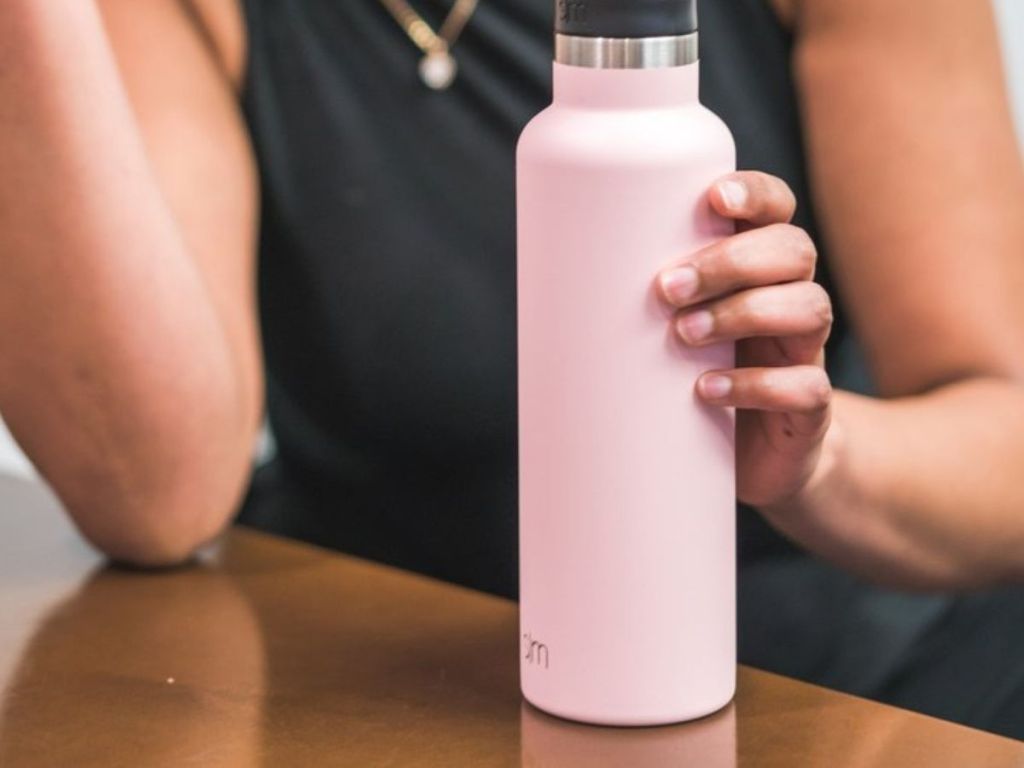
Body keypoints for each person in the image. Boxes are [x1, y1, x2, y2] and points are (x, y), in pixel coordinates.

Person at [2, 0, 1023, 737]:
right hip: (393, 673)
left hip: (844, 674)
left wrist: (815, 455)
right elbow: (157, 497)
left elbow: (1004, 442)